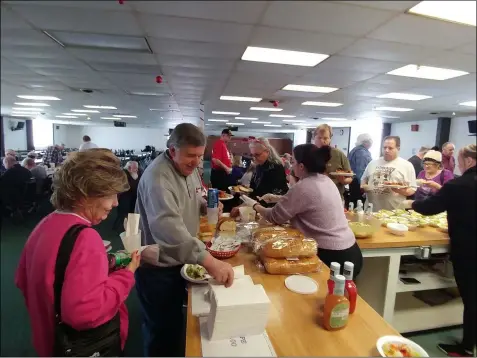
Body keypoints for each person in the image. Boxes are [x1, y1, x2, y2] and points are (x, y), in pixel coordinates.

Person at [15, 149, 140, 357]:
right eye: (110, 194)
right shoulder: (85, 238)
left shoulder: (46, 224)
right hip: (79, 346)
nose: (116, 203)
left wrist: (101, 267)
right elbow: (85, 313)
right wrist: (126, 275)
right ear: (85, 194)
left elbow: (26, 279)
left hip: (49, 338)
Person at [135, 123, 234, 357]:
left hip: (178, 261)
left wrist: (205, 205)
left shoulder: (188, 169)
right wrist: (210, 262)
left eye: (200, 156)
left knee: (174, 325)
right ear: (172, 151)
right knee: (161, 331)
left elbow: (192, 195)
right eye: (191, 155)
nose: (197, 162)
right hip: (158, 268)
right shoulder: (159, 178)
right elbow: (169, 230)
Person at [241, 144, 363, 278]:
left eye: (293, 162)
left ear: (301, 167)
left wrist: (255, 205)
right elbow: (310, 202)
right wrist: (277, 198)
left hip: (331, 255)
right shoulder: (326, 181)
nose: (291, 166)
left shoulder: (303, 186)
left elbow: (274, 216)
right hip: (351, 250)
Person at [402, 144, 476, 357]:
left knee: (471, 299)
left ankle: (466, 348)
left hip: (468, 248)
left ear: (469, 161)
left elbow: (430, 207)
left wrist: (411, 204)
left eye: (460, 160)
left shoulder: (458, 185)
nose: (457, 164)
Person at [230, 138, 288, 217]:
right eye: (252, 155)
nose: (254, 158)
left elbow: (269, 194)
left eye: (257, 155)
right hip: (259, 206)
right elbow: (254, 190)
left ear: (267, 152)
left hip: (272, 209)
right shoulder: (259, 166)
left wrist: (244, 206)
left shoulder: (275, 167)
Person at [361, 136, 416, 211]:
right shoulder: (373, 163)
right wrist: (366, 187)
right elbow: (363, 182)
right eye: (384, 147)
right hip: (371, 210)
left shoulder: (407, 165)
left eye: (390, 148)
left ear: (398, 149)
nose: (386, 150)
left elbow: (412, 190)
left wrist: (397, 190)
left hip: (394, 212)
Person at [314, 124, 352, 203]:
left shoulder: (338, 154)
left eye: (325, 138)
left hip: (335, 198)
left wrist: (344, 181)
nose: (322, 141)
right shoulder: (308, 154)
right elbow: (293, 175)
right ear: (314, 138)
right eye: (319, 138)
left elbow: (350, 177)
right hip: (313, 198)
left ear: (330, 139)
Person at [113, 161, 142, 233]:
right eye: (134, 168)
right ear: (128, 168)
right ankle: (121, 229)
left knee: (134, 211)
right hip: (124, 196)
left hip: (135, 196)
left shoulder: (140, 172)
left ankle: (133, 228)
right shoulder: (123, 173)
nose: (136, 170)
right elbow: (123, 186)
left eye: (136, 168)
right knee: (124, 212)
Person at [347, 133, 373, 207]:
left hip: (353, 181)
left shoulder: (354, 150)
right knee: (359, 205)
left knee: (353, 203)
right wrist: (362, 186)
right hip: (358, 182)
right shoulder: (362, 153)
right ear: (366, 142)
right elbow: (360, 171)